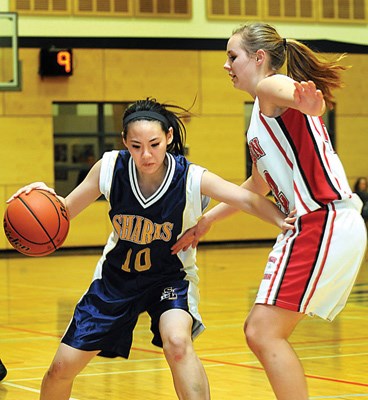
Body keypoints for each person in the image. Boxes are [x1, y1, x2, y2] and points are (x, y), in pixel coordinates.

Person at [8, 98, 295, 400]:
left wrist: (281, 220)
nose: (146, 154)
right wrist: (43, 196)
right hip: (115, 282)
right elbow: (63, 211)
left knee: (178, 344)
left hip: (169, 278)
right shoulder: (109, 168)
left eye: (154, 144)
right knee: (60, 368)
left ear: (169, 137)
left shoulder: (190, 176)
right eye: (135, 146)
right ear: (124, 142)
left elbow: (246, 198)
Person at [171, 23, 367, 400]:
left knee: (262, 331)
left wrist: (309, 102)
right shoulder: (259, 121)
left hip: (322, 219)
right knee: (261, 332)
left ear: (259, 58)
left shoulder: (268, 89)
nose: (226, 65)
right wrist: (206, 221)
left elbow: (288, 91)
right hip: (315, 223)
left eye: (233, 57)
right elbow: (257, 186)